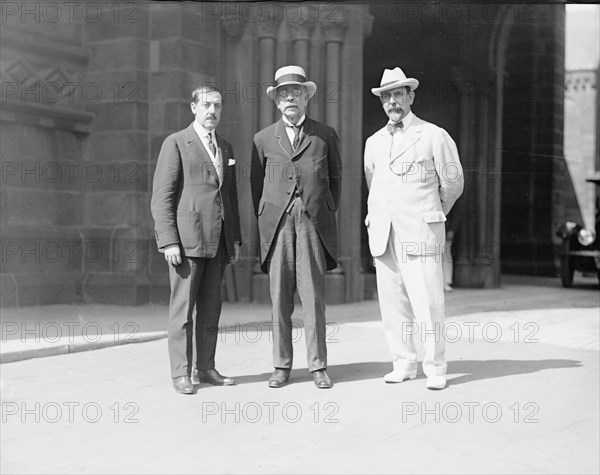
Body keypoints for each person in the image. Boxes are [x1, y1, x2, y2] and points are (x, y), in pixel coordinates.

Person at [364, 67, 464, 390]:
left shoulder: (433, 135)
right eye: (386, 96)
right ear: (382, 102)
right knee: (392, 302)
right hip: (385, 232)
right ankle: (403, 363)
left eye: (398, 94)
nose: (393, 101)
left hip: (420, 232)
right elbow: (373, 181)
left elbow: (453, 183)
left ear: (411, 96)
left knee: (428, 301)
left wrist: (432, 213)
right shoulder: (374, 142)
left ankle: (435, 367)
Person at [251, 65, 342, 389]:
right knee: (279, 298)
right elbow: (255, 186)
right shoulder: (263, 139)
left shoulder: (325, 135)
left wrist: (316, 209)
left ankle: (318, 367)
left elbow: (335, 182)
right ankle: (281, 366)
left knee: (314, 297)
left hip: (311, 224)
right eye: (284, 93)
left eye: (296, 92)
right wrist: (272, 217)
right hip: (277, 226)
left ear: (307, 97)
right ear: (276, 101)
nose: (290, 97)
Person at [151, 85, 241, 394]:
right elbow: (162, 197)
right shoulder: (176, 143)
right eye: (206, 105)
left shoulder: (225, 147)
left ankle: (205, 367)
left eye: (217, 105)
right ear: (193, 108)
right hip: (186, 242)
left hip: (218, 241)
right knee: (183, 310)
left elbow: (230, 197)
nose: (212, 111)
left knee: (211, 308)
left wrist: (236, 238)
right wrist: (168, 241)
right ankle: (180, 373)